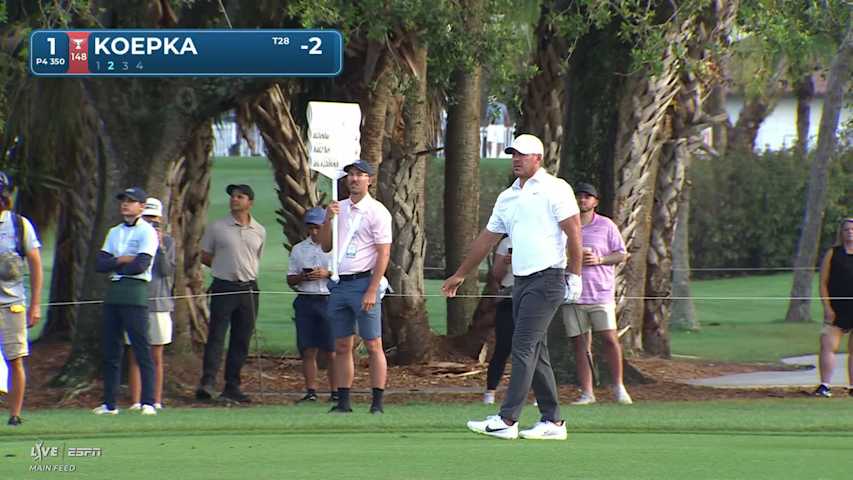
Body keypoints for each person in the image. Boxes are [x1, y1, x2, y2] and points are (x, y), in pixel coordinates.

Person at [444, 134, 583, 440]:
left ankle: (508, 420)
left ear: (539, 158)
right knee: (537, 350)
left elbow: (573, 232)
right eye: (513, 154)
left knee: (522, 346)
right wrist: (461, 274)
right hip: (521, 281)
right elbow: (487, 238)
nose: (516, 159)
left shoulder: (555, 188)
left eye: (522, 155)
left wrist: (575, 276)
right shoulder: (508, 196)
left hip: (548, 278)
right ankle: (553, 422)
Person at [319, 160, 392, 414]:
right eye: (350, 175)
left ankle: (377, 402)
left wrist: (372, 289)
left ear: (370, 180)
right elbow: (326, 245)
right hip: (340, 283)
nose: (354, 179)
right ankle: (344, 401)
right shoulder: (340, 209)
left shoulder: (377, 212)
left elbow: (383, 253)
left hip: (364, 281)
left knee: (373, 344)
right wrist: (328, 219)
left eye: (360, 175)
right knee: (342, 345)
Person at [196, 184, 266, 404]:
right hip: (224, 286)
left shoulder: (259, 230)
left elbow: (256, 258)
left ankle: (232, 386)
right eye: (233, 197)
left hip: (248, 289)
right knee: (216, 336)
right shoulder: (217, 227)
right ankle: (207, 383)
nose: (234, 200)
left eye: (240, 196)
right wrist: (223, 266)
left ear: (250, 203)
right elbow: (205, 255)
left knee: (241, 339)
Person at [563, 183, 632, 405]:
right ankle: (587, 392)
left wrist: (600, 259)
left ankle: (619, 387)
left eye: (587, 197)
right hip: (573, 294)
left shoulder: (606, 225)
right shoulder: (564, 226)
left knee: (610, 339)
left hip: (600, 293)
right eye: (579, 196)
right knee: (581, 344)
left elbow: (621, 254)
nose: (582, 200)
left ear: (595, 202)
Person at [93, 187, 159, 416]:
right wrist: (122, 259)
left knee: (141, 348)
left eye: (131, 201)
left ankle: (148, 402)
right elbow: (100, 264)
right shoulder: (114, 232)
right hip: (114, 292)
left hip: (135, 292)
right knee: (111, 349)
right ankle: (109, 404)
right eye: (124, 200)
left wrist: (117, 263)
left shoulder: (147, 232)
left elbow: (141, 265)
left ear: (142, 206)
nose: (126, 204)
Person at [0, 172, 43, 426]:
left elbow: (36, 264)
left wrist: (35, 304)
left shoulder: (19, 225)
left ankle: (15, 414)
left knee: (15, 358)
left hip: (12, 304)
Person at [126, 198, 175, 410]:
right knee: (135, 353)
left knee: (156, 355)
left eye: (155, 221)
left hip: (160, 303)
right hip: (136, 301)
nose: (152, 225)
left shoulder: (169, 242)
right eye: (147, 220)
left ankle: (155, 400)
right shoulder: (132, 240)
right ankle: (136, 402)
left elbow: (166, 271)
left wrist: (160, 247)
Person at [287, 207, 337, 403]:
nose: (314, 232)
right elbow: (290, 278)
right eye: (310, 227)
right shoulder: (299, 249)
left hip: (328, 299)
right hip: (306, 299)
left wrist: (328, 273)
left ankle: (335, 392)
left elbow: (344, 274)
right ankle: (311, 392)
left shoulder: (335, 247)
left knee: (331, 350)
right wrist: (303, 276)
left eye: (317, 227)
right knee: (307, 349)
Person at [813, 217, 853, 398]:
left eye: (852, 229)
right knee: (828, 344)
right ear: (841, 232)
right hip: (837, 308)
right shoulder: (833, 253)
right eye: (846, 230)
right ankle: (825, 385)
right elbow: (823, 282)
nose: (850, 232)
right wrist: (827, 307)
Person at [483, 236, 513, 405]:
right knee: (503, 346)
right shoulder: (507, 242)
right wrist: (505, 263)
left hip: (533, 297)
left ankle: (538, 393)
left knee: (532, 349)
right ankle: (490, 391)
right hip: (509, 297)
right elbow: (497, 274)